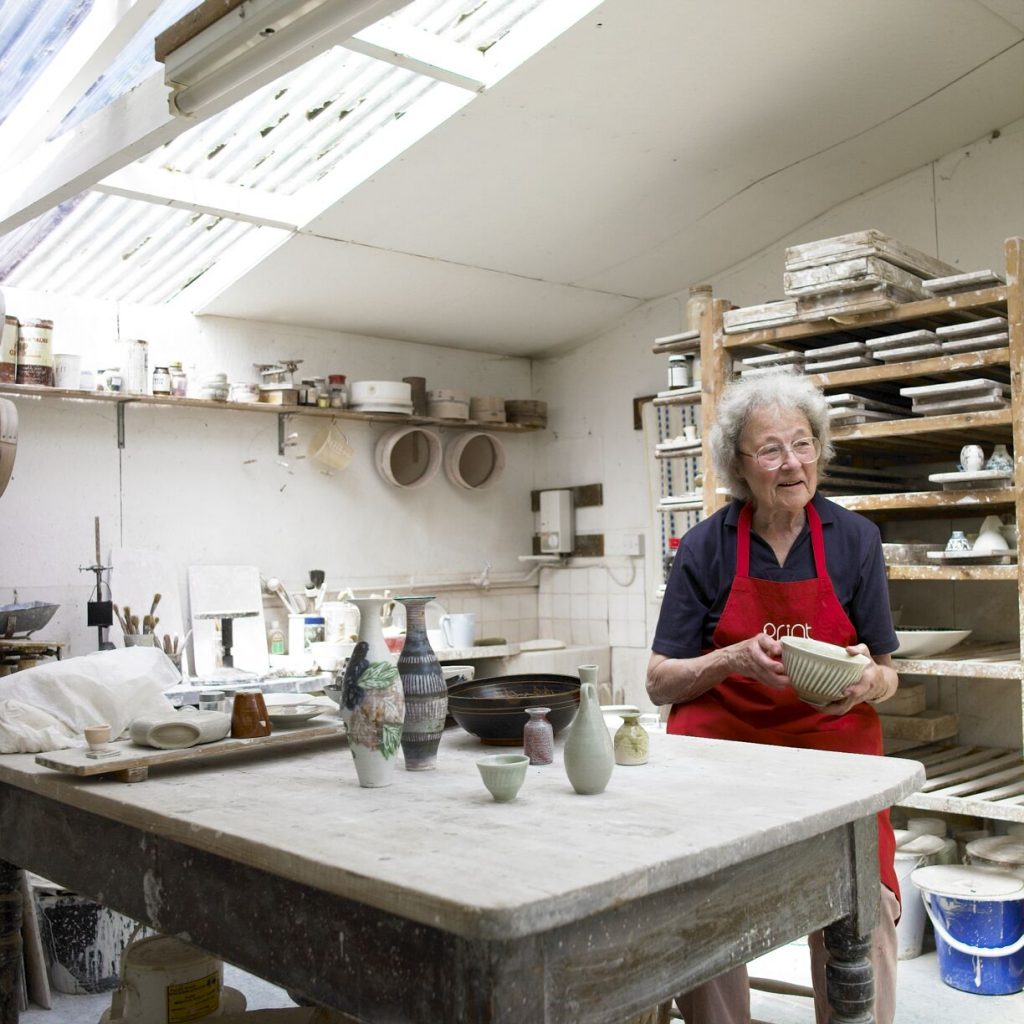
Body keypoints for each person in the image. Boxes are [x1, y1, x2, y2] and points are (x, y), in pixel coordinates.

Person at [647, 368, 901, 1024]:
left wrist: (868, 681)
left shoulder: (855, 540)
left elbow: (888, 670)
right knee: (702, 907)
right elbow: (658, 680)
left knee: (865, 909)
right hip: (725, 753)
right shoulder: (703, 547)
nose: (792, 463)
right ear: (739, 464)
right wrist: (731, 658)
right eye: (771, 449)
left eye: (803, 443)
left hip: (831, 750)